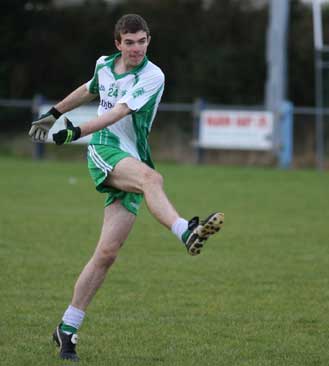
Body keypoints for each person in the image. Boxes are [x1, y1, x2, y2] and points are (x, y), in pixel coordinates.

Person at [28, 14, 224, 362]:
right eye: (129, 42)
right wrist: (54, 113)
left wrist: (75, 130)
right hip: (104, 150)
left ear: (149, 40)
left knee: (107, 254)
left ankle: (66, 329)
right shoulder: (104, 65)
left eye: (142, 41)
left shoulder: (152, 75)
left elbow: (119, 111)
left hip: (132, 155)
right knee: (153, 179)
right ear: (118, 43)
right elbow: (89, 90)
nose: (136, 48)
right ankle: (186, 231)